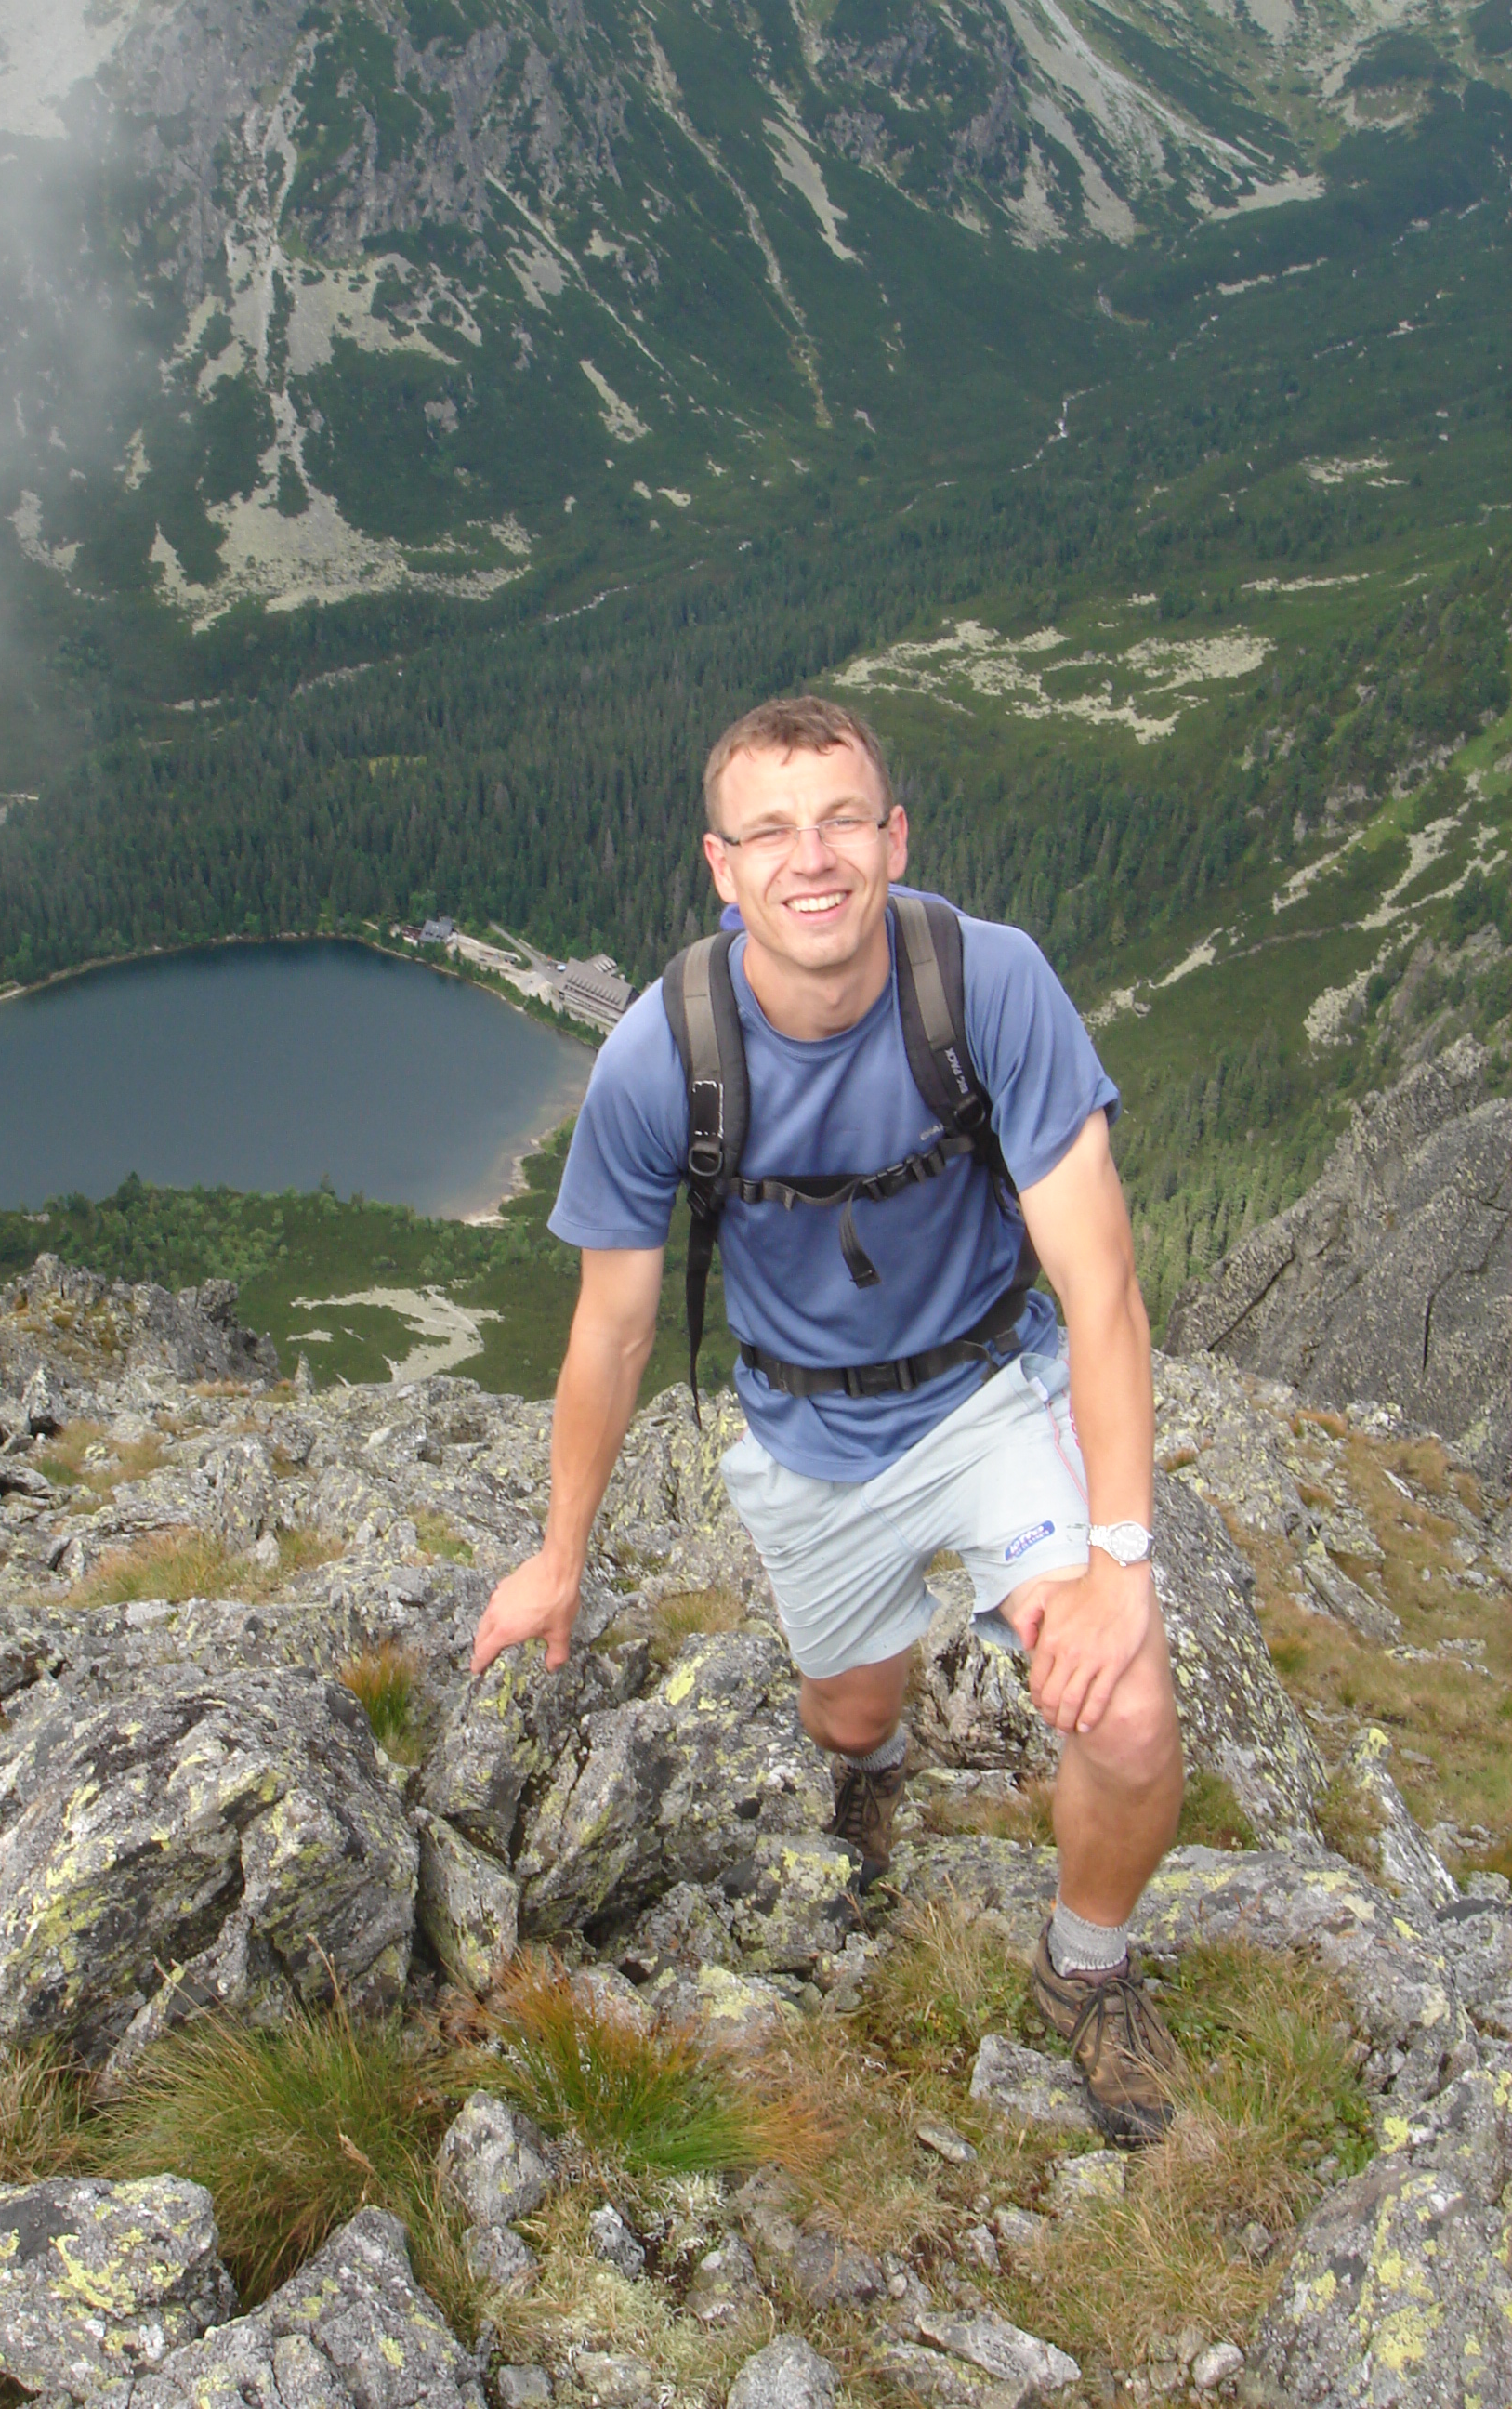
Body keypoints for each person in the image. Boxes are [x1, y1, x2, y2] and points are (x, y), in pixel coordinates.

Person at [470, 694, 1185, 2144]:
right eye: (772, 831)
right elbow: (611, 1330)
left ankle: (1085, 1967)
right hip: (809, 1435)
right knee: (850, 1710)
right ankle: (872, 1773)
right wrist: (558, 1555)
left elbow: (1101, 1286)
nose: (814, 857)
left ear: (894, 838)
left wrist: (1121, 1559)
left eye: (844, 820)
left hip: (994, 1390)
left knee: (1126, 1705)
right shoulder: (662, 1054)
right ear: (721, 867)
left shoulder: (987, 984)